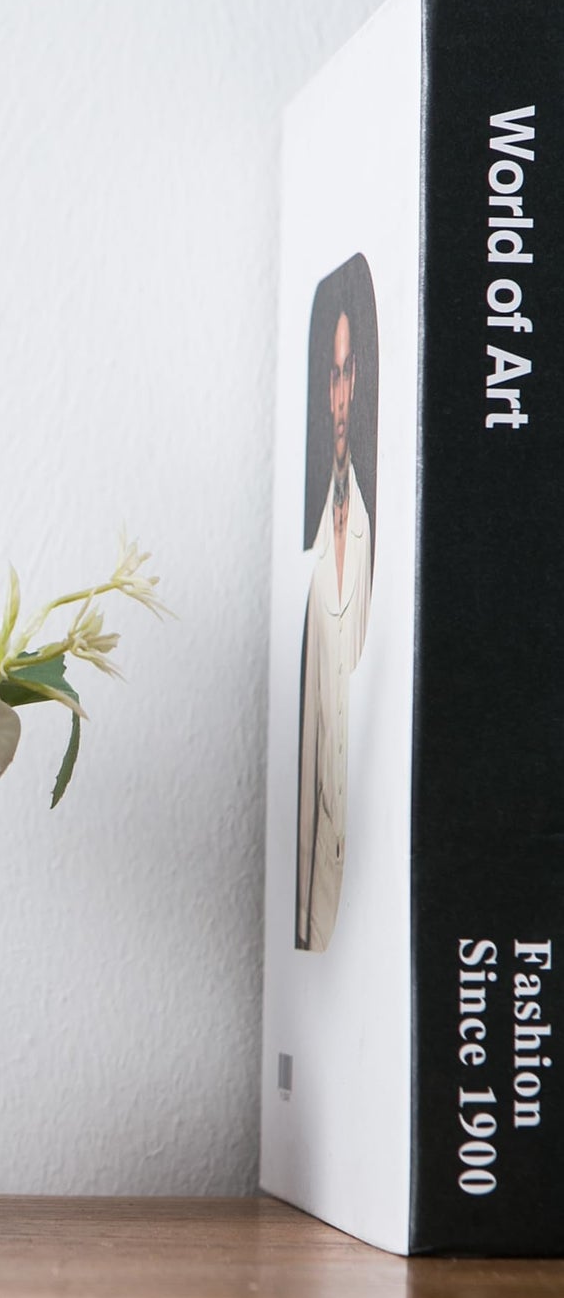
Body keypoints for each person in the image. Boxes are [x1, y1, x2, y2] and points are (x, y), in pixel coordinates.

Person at [297, 308, 372, 952]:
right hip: (332, 901)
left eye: (350, 373)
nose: (342, 393)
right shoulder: (315, 557)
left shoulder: (373, 538)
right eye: (333, 375)